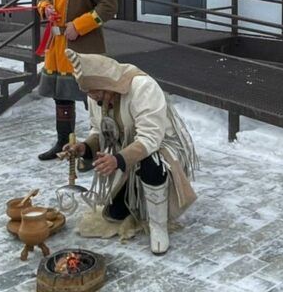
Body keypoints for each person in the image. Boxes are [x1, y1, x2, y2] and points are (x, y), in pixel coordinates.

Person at [61, 49, 198, 255]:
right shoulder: (95, 95)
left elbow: (150, 138)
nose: (93, 98)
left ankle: (158, 225)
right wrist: (83, 147)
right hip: (124, 153)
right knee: (114, 215)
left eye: (96, 92)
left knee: (152, 162)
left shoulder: (143, 87)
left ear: (109, 84)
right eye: (88, 93)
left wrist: (117, 160)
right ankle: (135, 196)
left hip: (161, 147)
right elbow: (98, 130)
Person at [35, 0, 118, 161]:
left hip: (84, 43)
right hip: (57, 43)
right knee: (62, 95)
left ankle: (99, 148)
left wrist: (79, 26)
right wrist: (45, 7)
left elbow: (108, 6)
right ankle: (64, 143)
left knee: (93, 98)